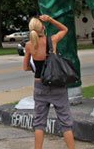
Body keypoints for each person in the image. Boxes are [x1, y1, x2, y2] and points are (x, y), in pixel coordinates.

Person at [24, 15, 75, 149]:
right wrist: (51, 20)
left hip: (39, 85)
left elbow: (25, 67)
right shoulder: (52, 41)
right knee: (65, 122)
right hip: (56, 83)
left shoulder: (29, 45)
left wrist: (36, 67)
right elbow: (64, 29)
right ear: (43, 28)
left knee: (39, 123)